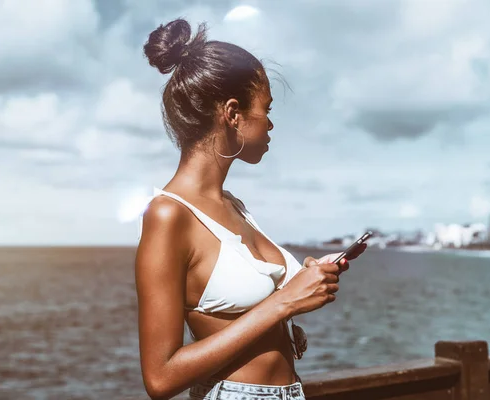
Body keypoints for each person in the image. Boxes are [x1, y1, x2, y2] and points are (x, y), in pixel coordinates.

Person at [135, 18, 367, 400]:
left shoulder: (233, 206)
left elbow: (252, 312)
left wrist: (304, 284)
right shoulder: (168, 214)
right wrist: (283, 303)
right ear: (232, 113)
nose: (272, 123)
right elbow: (160, 379)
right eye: (266, 108)